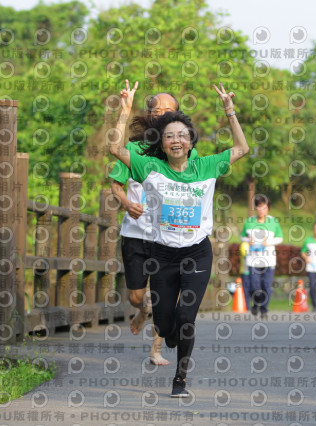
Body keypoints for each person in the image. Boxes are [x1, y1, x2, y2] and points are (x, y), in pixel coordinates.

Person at [109, 82, 249, 397]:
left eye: (182, 135)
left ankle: (180, 379)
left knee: (186, 316)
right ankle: (167, 335)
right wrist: (125, 110)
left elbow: (242, 149)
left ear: (190, 142)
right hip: (162, 255)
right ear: (162, 141)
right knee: (166, 325)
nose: (176, 140)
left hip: (197, 253)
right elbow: (116, 150)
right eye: (169, 135)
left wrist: (230, 110)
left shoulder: (206, 165)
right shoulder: (151, 166)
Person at [109, 83, 199, 366]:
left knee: (167, 298)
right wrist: (126, 203)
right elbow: (115, 185)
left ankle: (155, 350)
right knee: (136, 297)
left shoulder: (184, 150)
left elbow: (198, 186)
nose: (160, 114)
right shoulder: (135, 149)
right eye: (155, 110)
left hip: (168, 237)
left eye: (167, 110)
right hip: (135, 233)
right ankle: (142, 309)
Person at [241, 195, 283, 320]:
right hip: (253, 259)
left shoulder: (273, 222)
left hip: (269, 259)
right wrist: (249, 240)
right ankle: (256, 303)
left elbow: (280, 238)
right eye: (258, 207)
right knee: (254, 287)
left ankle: (264, 309)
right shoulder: (249, 222)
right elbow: (242, 236)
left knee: (266, 286)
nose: (260, 210)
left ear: (268, 209)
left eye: (263, 208)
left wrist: (268, 243)